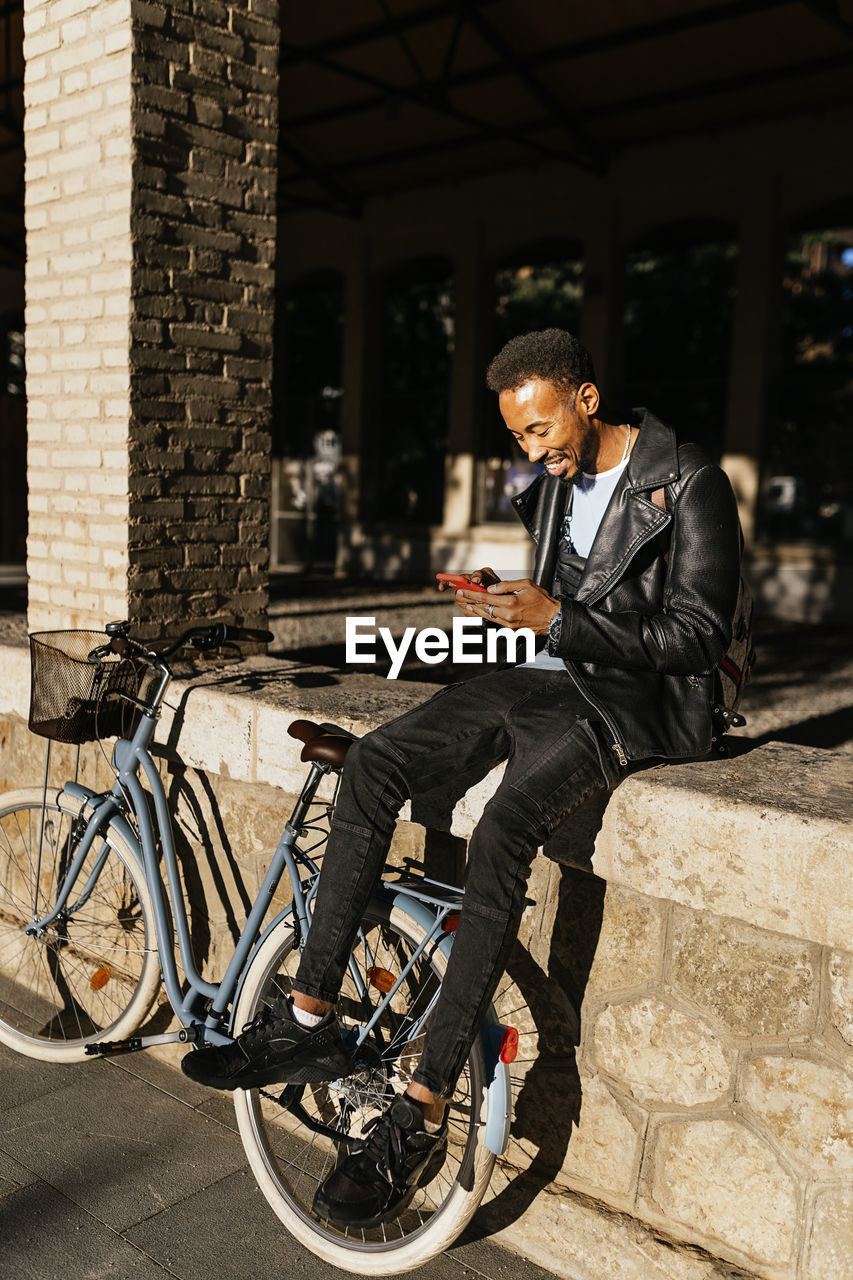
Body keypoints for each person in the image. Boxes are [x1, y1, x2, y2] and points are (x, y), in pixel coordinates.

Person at [182, 328, 742, 1228]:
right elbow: (566, 604)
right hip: (543, 675)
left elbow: (695, 639)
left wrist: (554, 617)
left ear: (585, 399)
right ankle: (309, 1014)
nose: (532, 451)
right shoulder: (558, 485)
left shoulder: (690, 484)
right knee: (373, 763)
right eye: (518, 437)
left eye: (539, 428)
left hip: (623, 709)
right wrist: (507, 601)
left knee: (501, 833)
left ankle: (423, 1107)